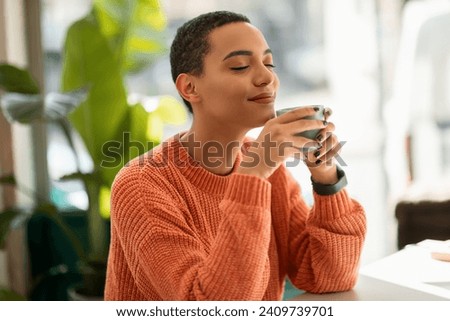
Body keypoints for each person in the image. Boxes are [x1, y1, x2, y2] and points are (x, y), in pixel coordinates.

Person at [104, 10, 366, 301]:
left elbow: (328, 277)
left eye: (269, 63)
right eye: (240, 66)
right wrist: (253, 174)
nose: (267, 77)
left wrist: (326, 177)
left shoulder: (268, 169)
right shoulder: (142, 186)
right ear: (190, 87)